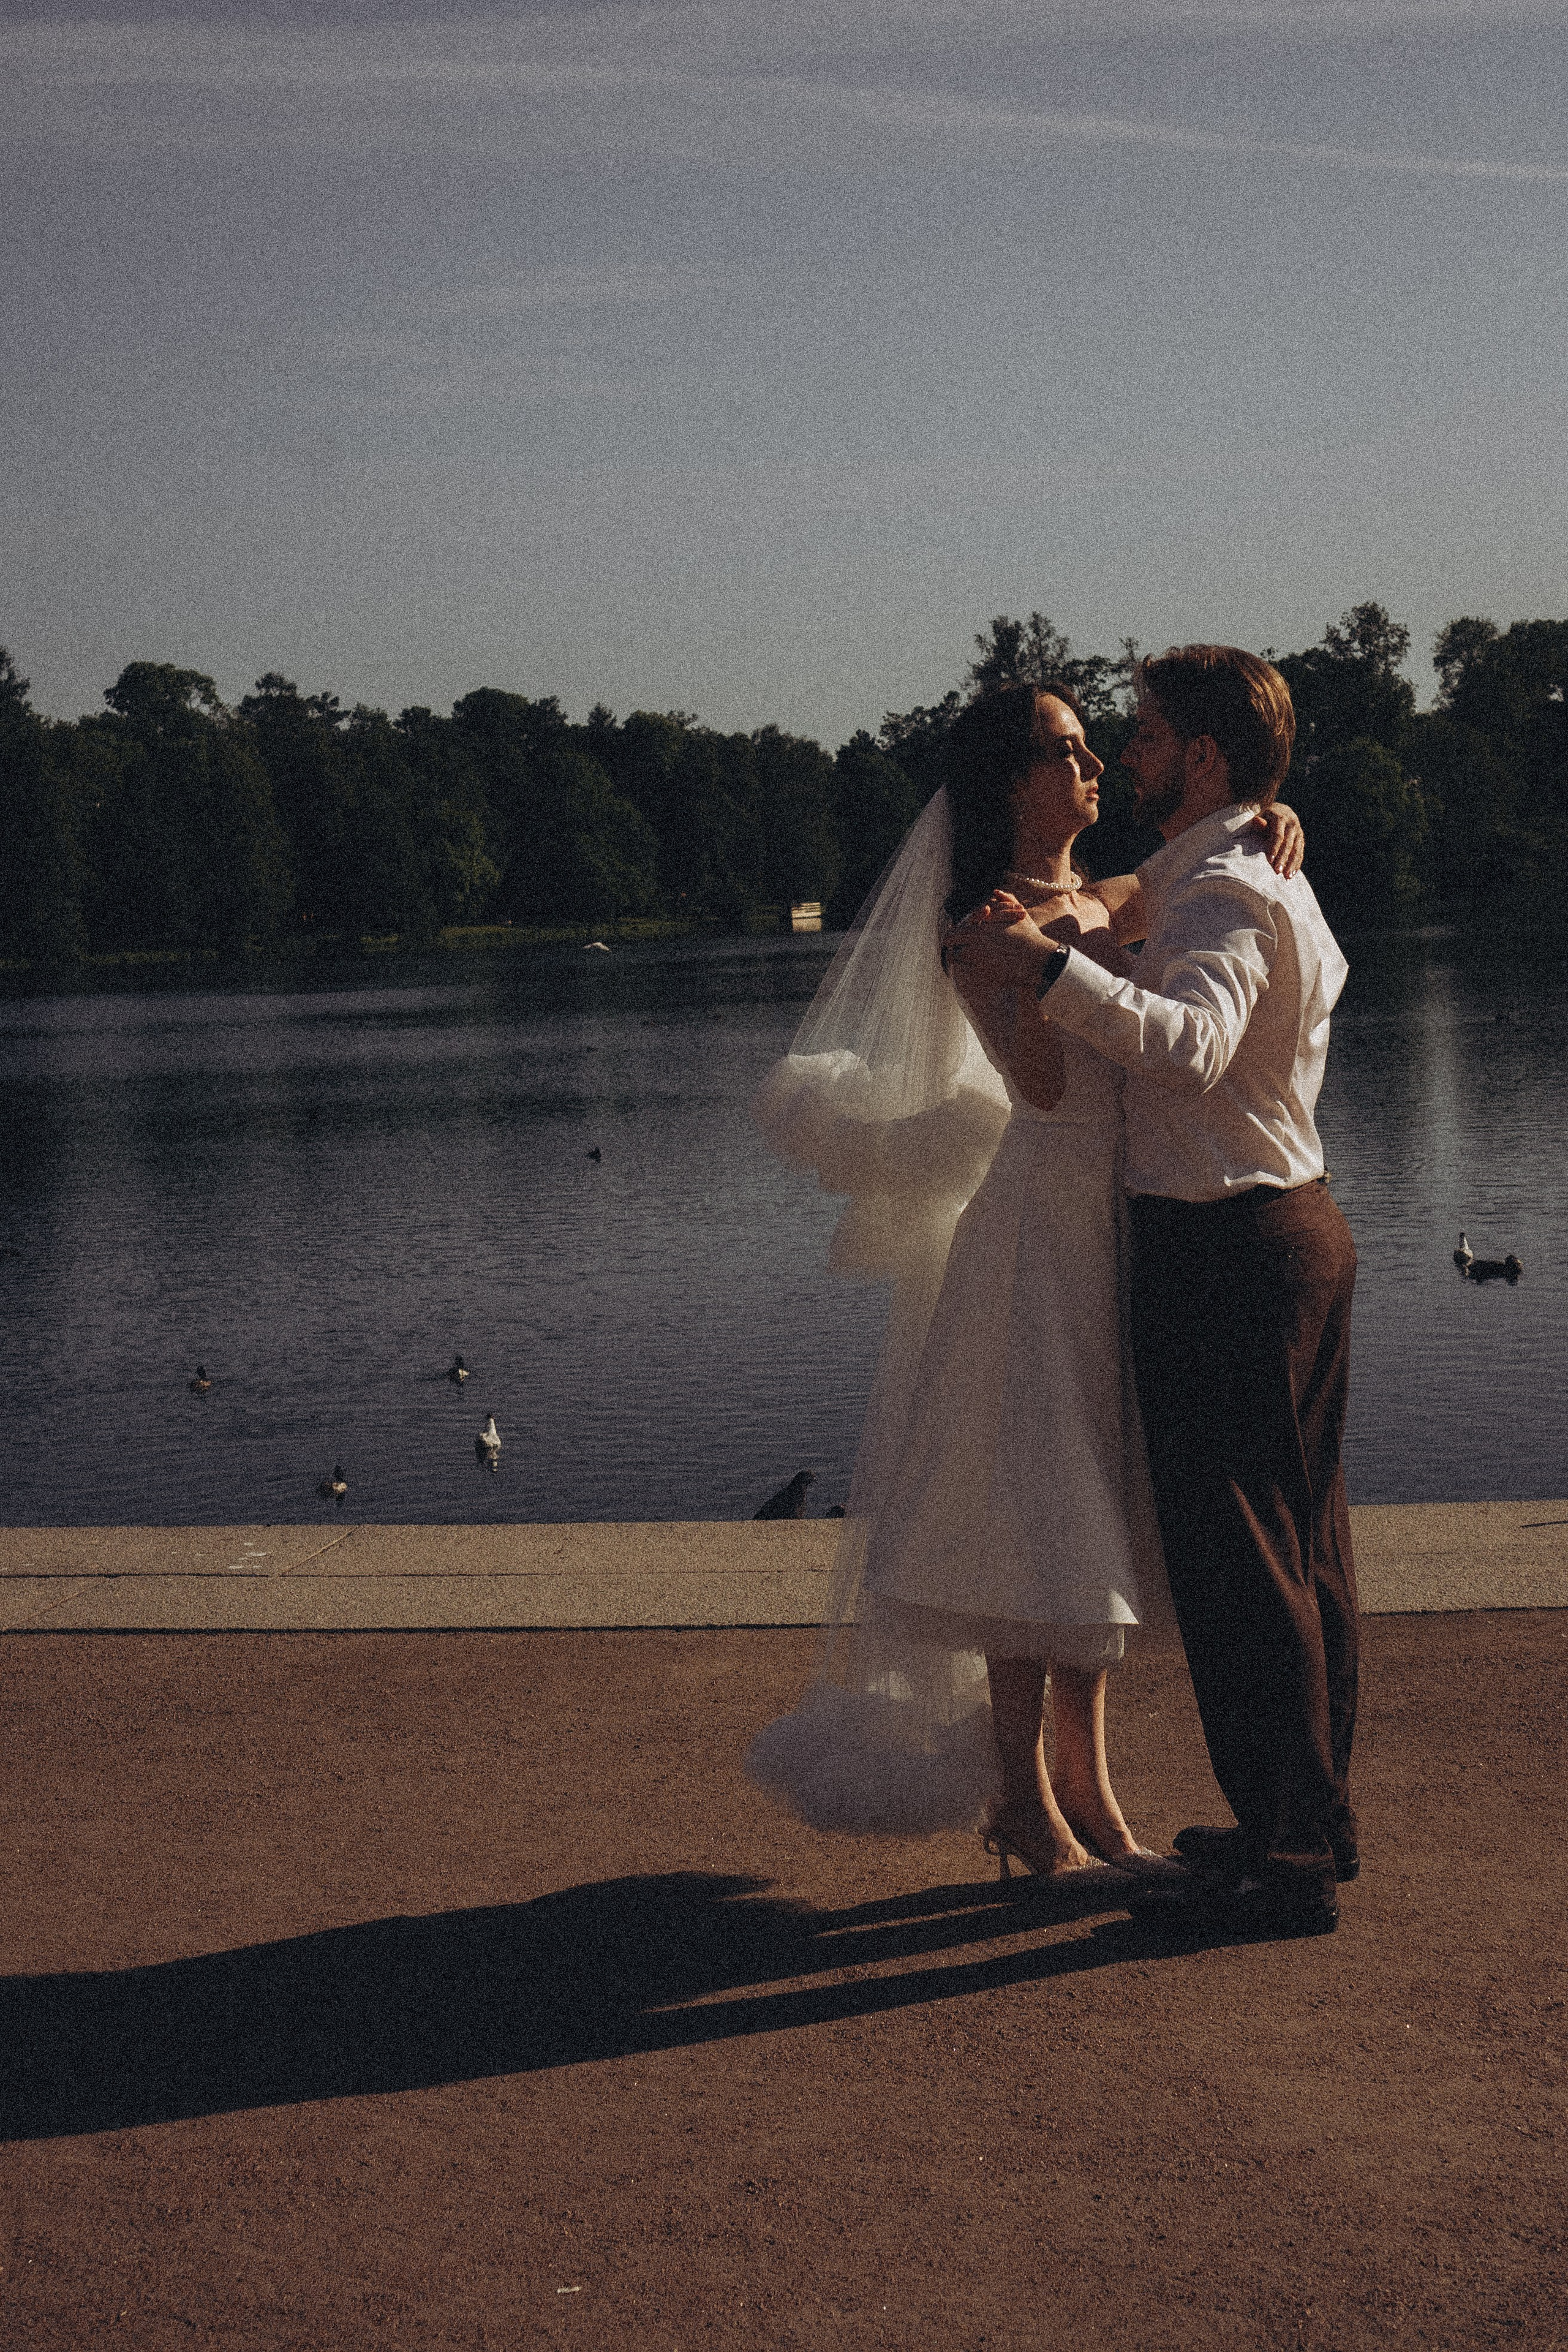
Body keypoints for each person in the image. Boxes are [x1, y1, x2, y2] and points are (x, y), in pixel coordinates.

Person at [747, 681, 1303, 1888]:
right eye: (1065, 750)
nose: (1093, 763)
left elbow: (1140, 888)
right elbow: (1042, 1089)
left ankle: (1090, 1795)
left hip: (1115, 1224)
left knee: (1095, 1517)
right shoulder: (973, 925)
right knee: (1030, 1516)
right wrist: (1040, 963)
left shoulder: (1087, 895)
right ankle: (1028, 1805)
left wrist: (1263, 817)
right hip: (1035, 1232)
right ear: (1011, 781)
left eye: (1095, 744)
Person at [949, 646, 1357, 1938]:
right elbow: (1077, 994)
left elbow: (1187, 1045)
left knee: (1253, 1565)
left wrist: (1049, 967)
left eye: (1134, 734)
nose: (1113, 756)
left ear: (1204, 755)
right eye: (1077, 743)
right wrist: (1258, 816)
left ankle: (1283, 1857)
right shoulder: (1201, 875)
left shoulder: (1216, 882)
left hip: (1223, 1240)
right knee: (1279, 1555)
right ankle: (1283, 1827)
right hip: (1186, 1230)